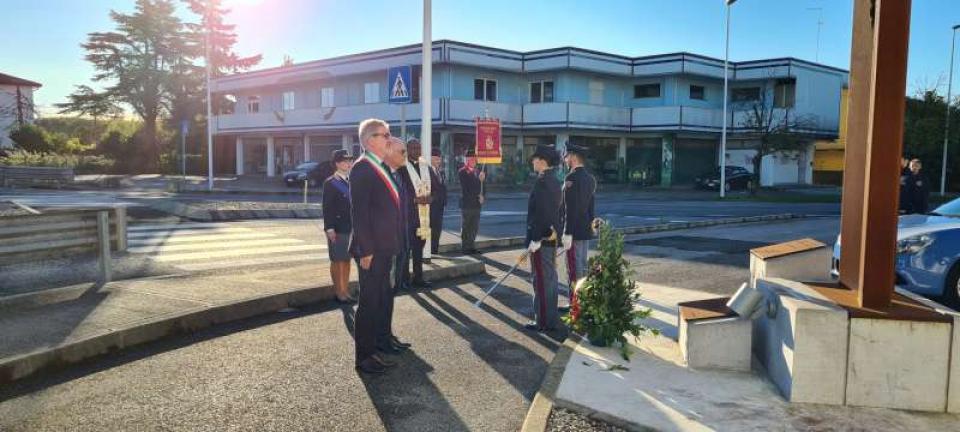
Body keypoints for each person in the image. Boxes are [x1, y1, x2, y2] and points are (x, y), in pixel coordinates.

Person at [349, 119, 409, 375]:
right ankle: (364, 356)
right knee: (369, 302)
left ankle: (379, 344)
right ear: (370, 139)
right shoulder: (362, 168)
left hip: (385, 246)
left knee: (382, 298)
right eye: (385, 135)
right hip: (372, 250)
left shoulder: (379, 167)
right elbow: (359, 214)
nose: (389, 139)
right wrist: (366, 250)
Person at [524, 145, 563, 332]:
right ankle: (551, 318)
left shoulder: (542, 182)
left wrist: (536, 238)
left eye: (534, 159)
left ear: (541, 161)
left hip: (542, 239)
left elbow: (542, 213)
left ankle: (544, 321)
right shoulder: (554, 180)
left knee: (541, 280)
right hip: (551, 236)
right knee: (550, 278)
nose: (532, 162)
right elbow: (558, 212)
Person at [560, 144, 597, 305]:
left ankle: (576, 305)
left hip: (574, 231)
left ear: (573, 157)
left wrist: (567, 232)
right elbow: (591, 206)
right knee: (582, 266)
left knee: (574, 268)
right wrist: (591, 226)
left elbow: (570, 208)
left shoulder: (571, 178)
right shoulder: (590, 179)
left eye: (567, 156)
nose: (565, 159)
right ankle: (584, 301)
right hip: (584, 230)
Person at [395, 138, 432, 289]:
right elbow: (398, 191)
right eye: (413, 148)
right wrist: (414, 200)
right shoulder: (401, 168)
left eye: (419, 148)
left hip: (423, 215)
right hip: (407, 216)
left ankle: (418, 278)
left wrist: (432, 197)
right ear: (407, 150)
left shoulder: (425, 166)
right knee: (406, 249)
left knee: (419, 248)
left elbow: (436, 187)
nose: (417, 151)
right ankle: (404, 280)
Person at [322, 149, 356, 303]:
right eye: (344, 161)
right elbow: (327, 207)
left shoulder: (351, 181)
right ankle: (339, 292)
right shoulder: (331, 182)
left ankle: (346, 290)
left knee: (347, 260)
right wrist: (329, 228)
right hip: (337, 228)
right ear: (336, 164)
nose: (348, 163)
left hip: (351, 228)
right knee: (337, 260)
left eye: (349, 160)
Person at [459, 150, 485, 254]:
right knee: (466, 226)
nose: (473, 161)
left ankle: (471, 245)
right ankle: (465, 247)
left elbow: (483, 187)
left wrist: (483, 196)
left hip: (477, 204)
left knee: (474, 227)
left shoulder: (478, 172)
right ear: (466, 160)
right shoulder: (462, 171)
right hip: (467, 204)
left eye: (474, 159)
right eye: (470, 159)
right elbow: (467, 188)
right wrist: (479, 180)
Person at [430, 147, 447, 255]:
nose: (438, 161)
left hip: (440, 206)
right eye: (435, 158)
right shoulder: (427, 170)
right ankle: (429, 251)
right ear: (430, 158)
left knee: (437, 230)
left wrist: (445, 202)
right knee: (430, 230)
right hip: (431, 207)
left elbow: (444, 188)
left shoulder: (440, 172)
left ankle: (435, 250)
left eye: (439, 159)